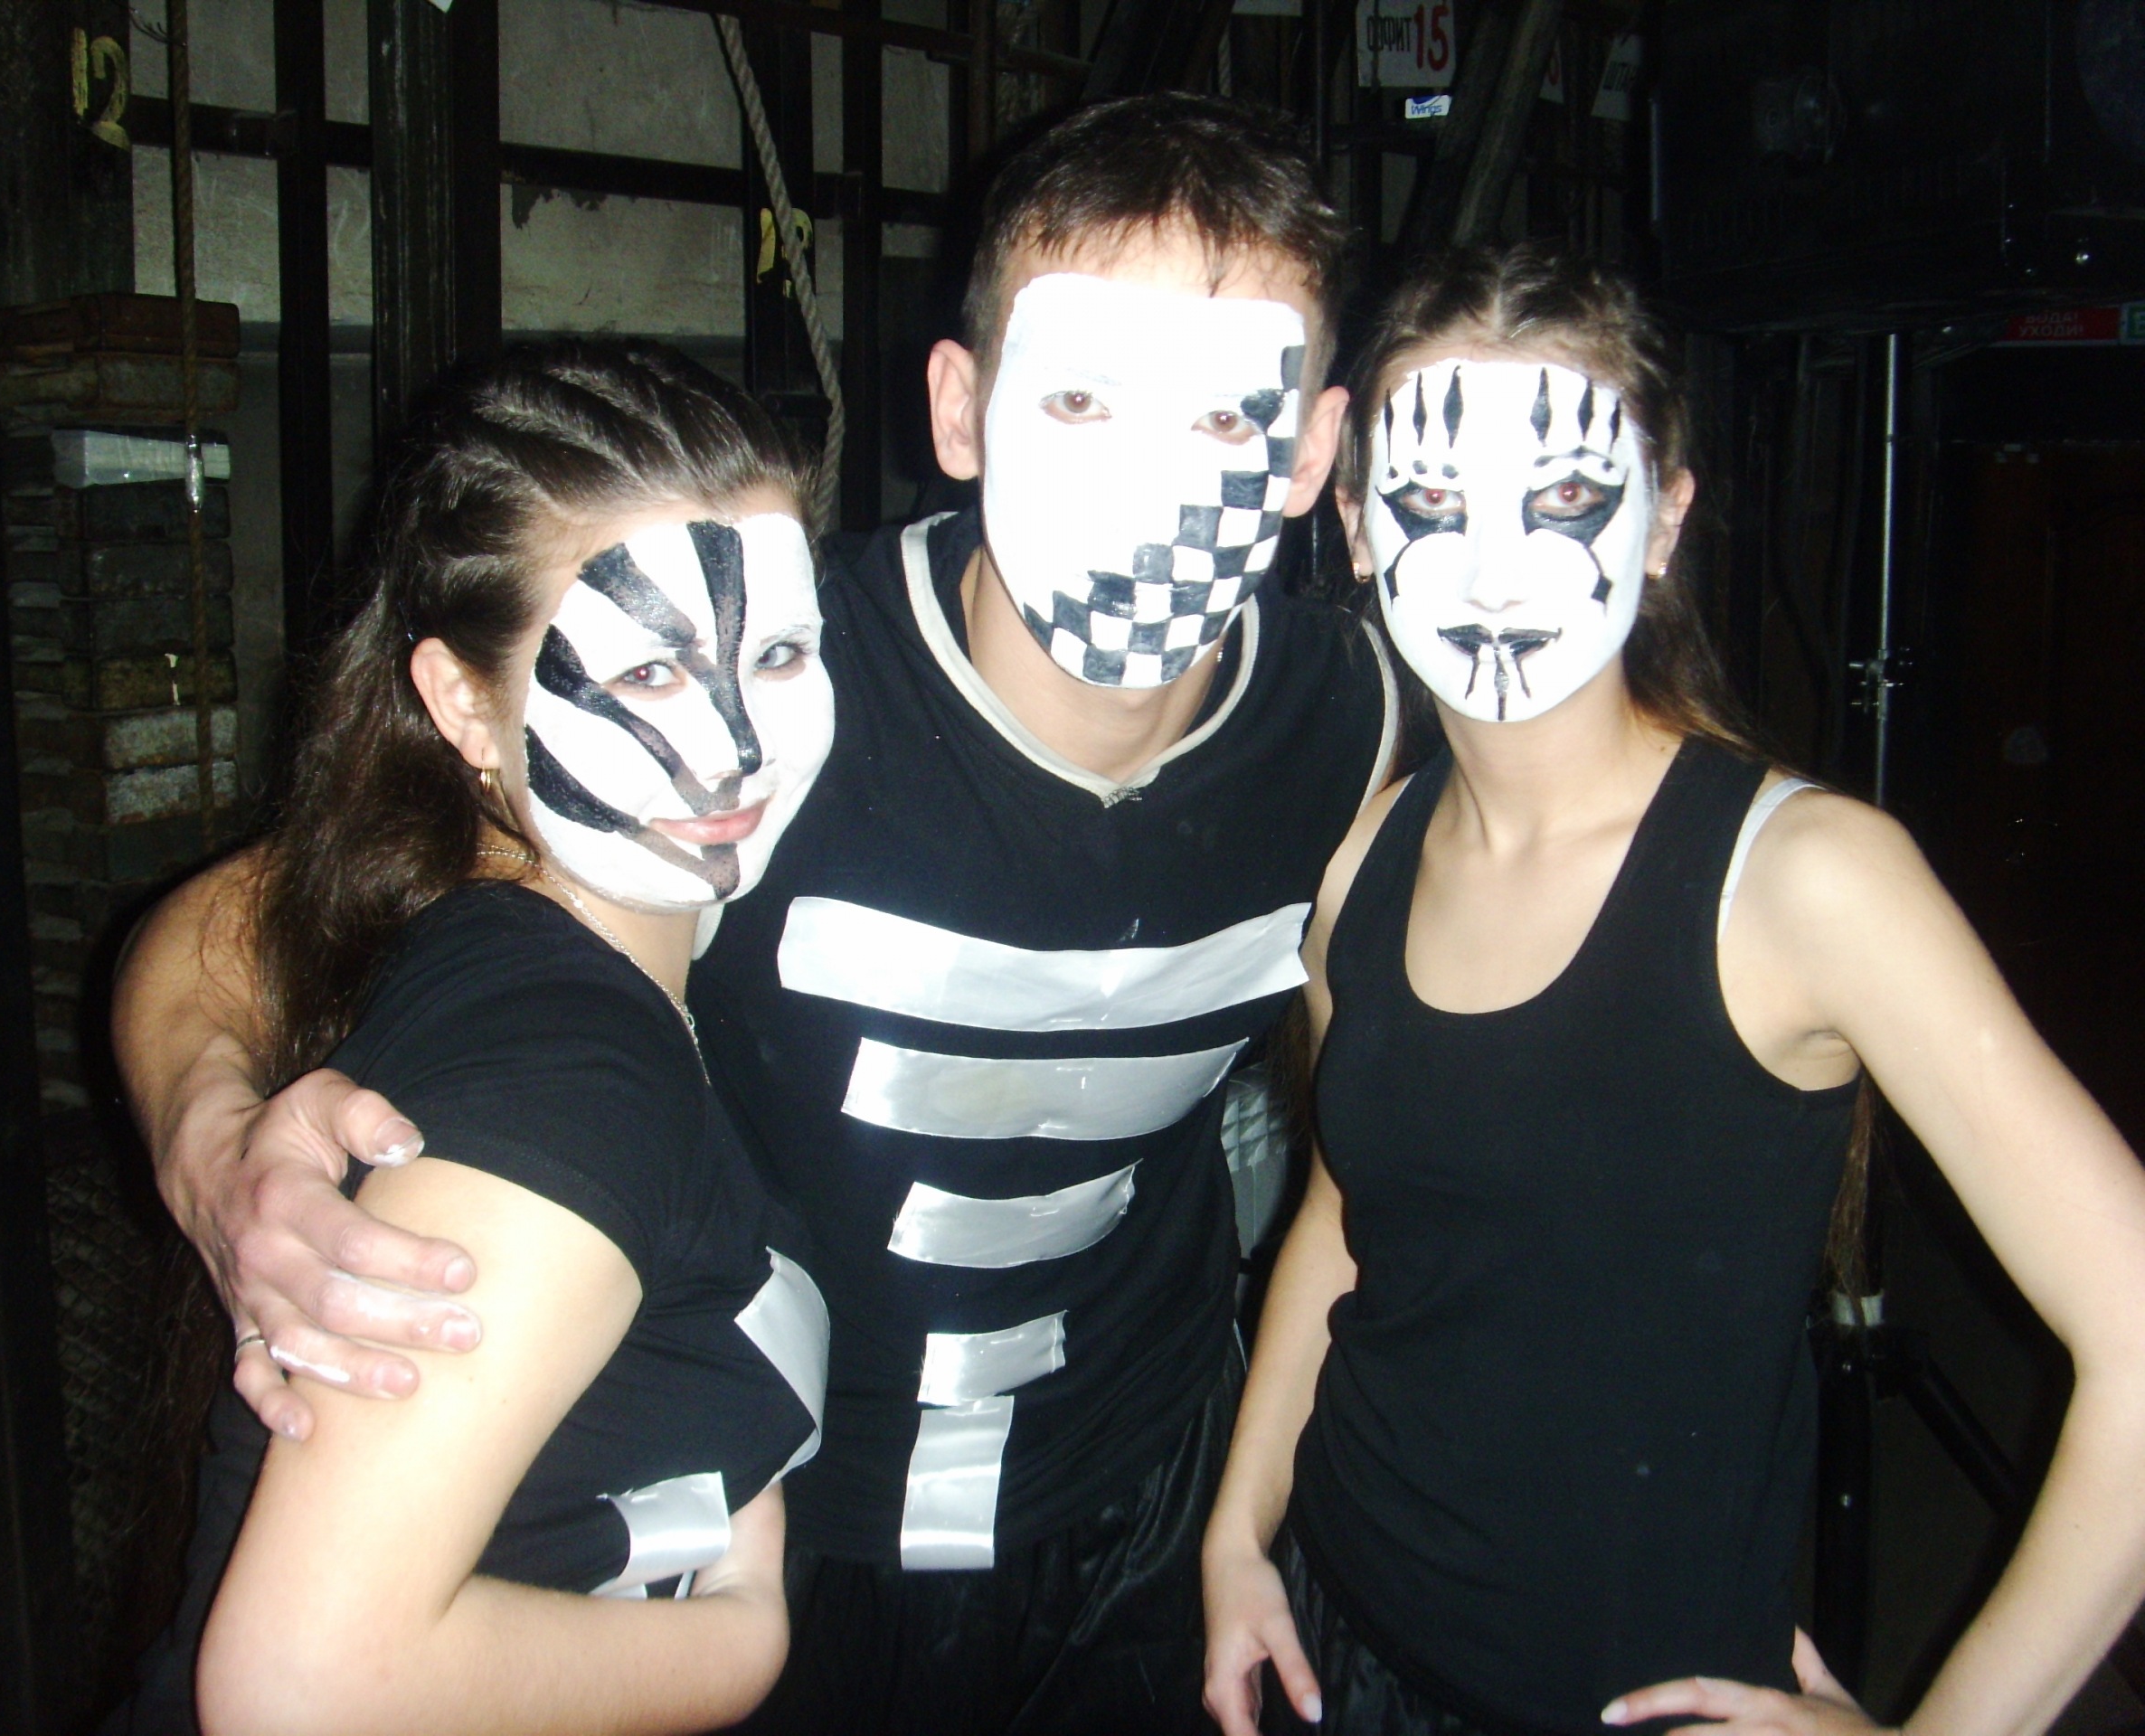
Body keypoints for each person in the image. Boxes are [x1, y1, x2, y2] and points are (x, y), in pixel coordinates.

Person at [113, 95, 1395, 1732]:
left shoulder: (1353, 722)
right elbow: (251, 915)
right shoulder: (762, 693)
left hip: (1142, 1499)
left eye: (1226, 418)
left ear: (1313, 455)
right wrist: (216, 1139)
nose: (1150, 487)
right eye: (1080, 398)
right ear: (961, 409)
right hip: (771, 1530)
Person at [1200, 243, 2145, 1736]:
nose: (1495, 567)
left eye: (1570, 494)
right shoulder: (1369, 851)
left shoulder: (1805, 880)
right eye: (1431, 501)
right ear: (1360, 528)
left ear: (1666, 522)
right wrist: (1238, 1528)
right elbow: (1346, 1205)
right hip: (1339, 1620)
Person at [116, 339, 835, 1734]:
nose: (738, 743)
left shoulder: (477, 889)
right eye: (650, 675)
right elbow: (303, 1692)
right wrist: (741, 1640)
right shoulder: (572, 1064)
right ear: (461, 705)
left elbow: (223, 917)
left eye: (781, 654)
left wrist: (206, 1127)